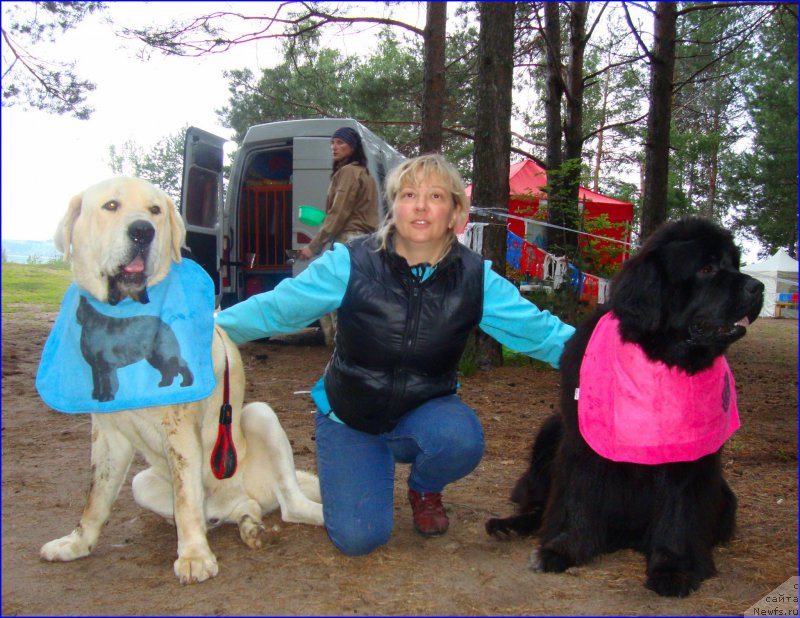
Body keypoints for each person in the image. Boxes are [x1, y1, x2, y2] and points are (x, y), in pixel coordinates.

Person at [215, 154, 575, 557]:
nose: (420, 206)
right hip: (350, 414)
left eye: (435, 195)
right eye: (408, 195)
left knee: (460, 440)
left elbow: (538, 330)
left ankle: (424, 487)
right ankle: (364, 464)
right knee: (358, 538)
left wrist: (604, 354)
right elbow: (277, 308)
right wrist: (207, 330)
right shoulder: (352, 263)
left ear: (457, 211)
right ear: (394, 207)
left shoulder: (475, 279)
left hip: (425, 411)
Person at [299, 127, 379, 346]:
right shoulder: (363, 173)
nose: (334, 147)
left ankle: (341, 351)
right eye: (332, 143)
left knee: (333, 298)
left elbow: (339, 212)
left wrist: (313, 247)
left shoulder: (348, 173)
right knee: (348, 299)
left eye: (340, 143)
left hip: (349, 241)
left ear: (352, 147)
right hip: (362, 243)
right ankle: (349, 350)